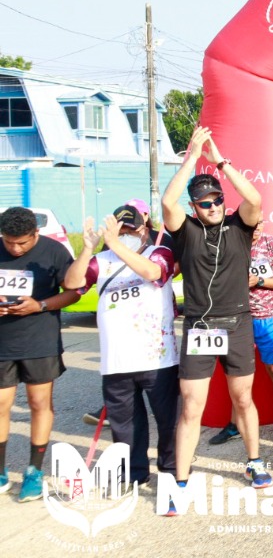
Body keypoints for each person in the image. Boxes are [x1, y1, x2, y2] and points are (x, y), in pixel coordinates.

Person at [160, 126, 272, 511]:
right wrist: (192, 157)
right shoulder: (186, 230)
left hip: (237, 322)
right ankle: (181, 481)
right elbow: (167, 201)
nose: (211, 207)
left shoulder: (240, 227)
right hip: (200, 326)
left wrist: (221, 161)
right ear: (194, 207)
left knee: (243, 398)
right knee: (192, 406)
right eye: (204, 203)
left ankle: (254, 462)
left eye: (216, 200)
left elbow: (255, 198)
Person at [64, 204, 180, 487]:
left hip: (158, 358)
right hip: (116, 361)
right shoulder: (101, 260)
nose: (127, 234)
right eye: (120, 230)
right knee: (125, 424)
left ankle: (172, 468)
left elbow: (154, 273)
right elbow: (71, 283)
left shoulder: (158, 252)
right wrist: (89, 249)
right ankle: (134, 472)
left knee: (169, 421)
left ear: (144, 229)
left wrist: (117, 245)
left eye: (132, 229)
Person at [0, 206, 77, 500]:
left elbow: (74, 291)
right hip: (3, 343)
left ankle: (34, 470)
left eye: (22, 242)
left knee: (39, 403)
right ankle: (1, 471)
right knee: (1, 405)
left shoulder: (54, 251)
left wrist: (40, 305)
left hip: (40, 341)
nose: (15, 248)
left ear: (36, 234)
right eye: (9, 242)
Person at [210, 221, 273, 444]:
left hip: (267, 316)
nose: (256, 227)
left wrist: (258, 280)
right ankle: (233, 425)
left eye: (260, 223)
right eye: (252, 223)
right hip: (237, 318)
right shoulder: (230, 243)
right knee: (237, 374)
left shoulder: (272, 243)